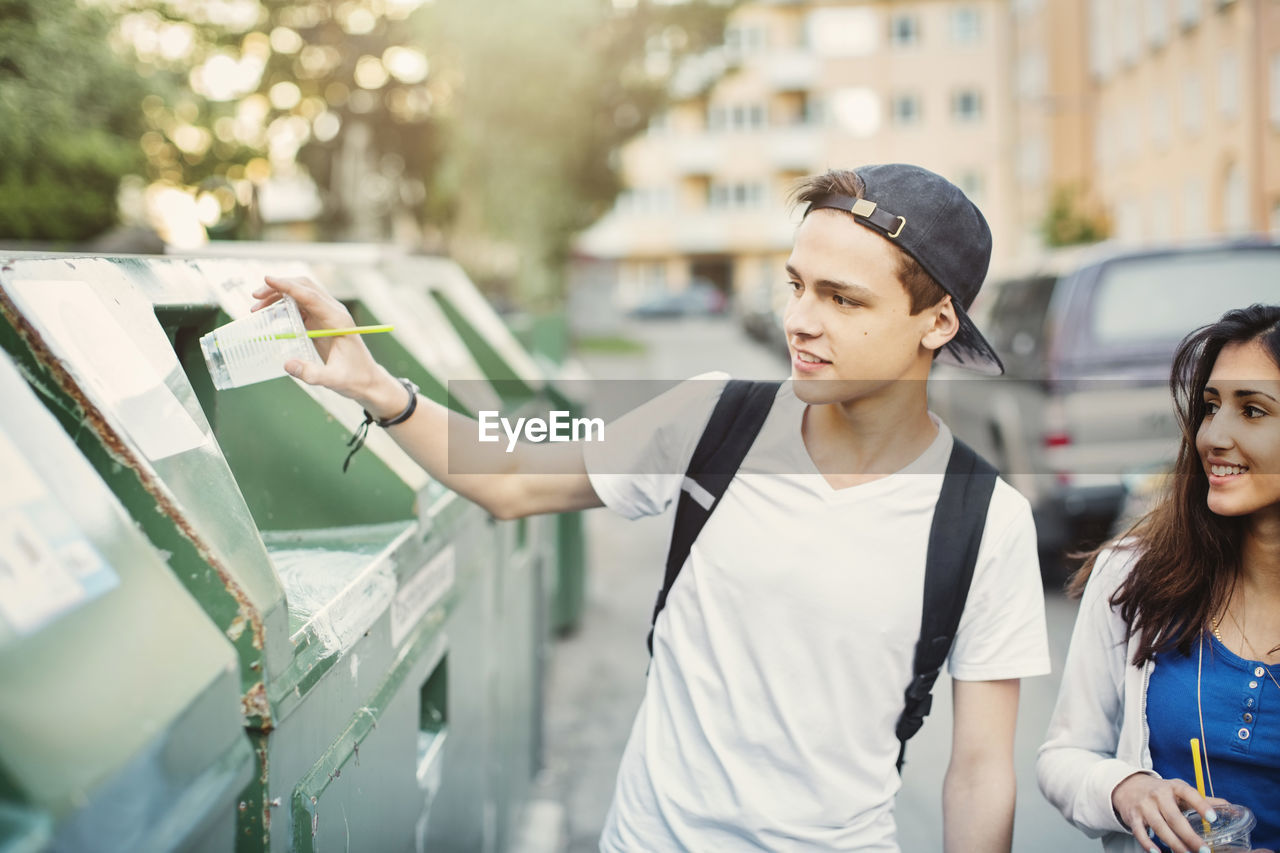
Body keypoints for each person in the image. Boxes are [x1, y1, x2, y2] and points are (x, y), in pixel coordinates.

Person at [253, 163, 1050, 852]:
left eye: (844, 300)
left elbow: (980, 770)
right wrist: (379, 389)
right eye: (797, 285)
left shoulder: (985, 520)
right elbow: (513, 476)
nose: (800, 321)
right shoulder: (716, 419)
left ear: (937, 321)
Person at [1038, 304, 1280, 853]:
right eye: (1212, 406)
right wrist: (1125, 786)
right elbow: (1063, 756)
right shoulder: (1133, 574)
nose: (1213, 435)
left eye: (1254, 411)